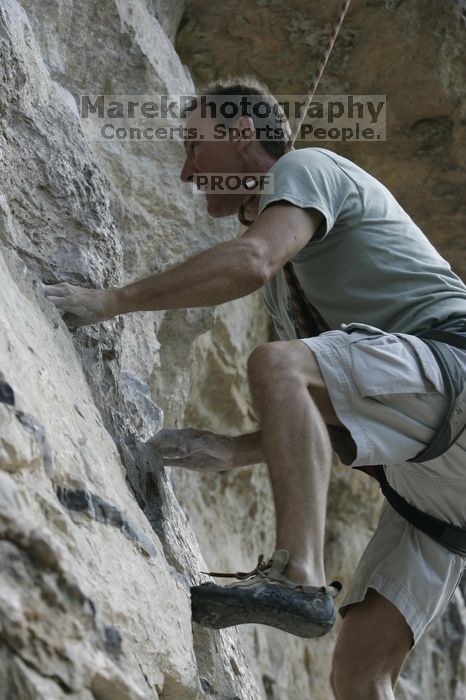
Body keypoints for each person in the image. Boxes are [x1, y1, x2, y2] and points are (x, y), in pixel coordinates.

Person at [45, 78, 466, 700]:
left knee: (279, 364)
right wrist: (235, 449)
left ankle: (297, 575)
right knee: (360, 677)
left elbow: (250, 262)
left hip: (452, 372)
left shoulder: (307, 167)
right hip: (438, 484)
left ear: (243, 135)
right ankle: (297, 580)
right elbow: (340, 405)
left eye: (195, 144)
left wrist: (109, 301)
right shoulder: (295, 281)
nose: (187, 171)